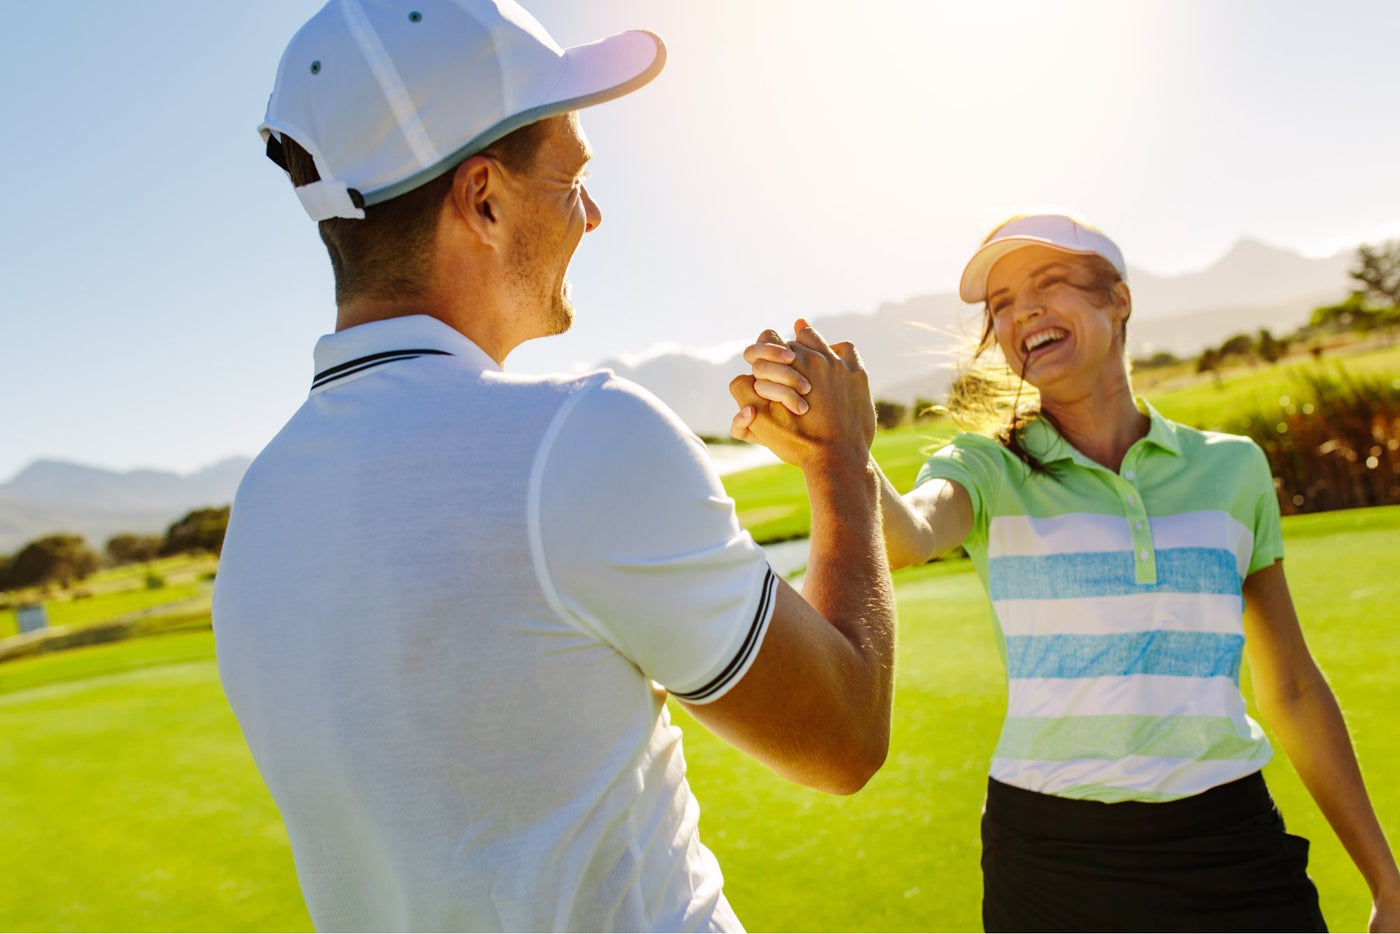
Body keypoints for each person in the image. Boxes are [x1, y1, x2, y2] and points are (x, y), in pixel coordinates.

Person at [213, 2, 895, 931]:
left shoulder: (261, 505)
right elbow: (843, 737)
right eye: (572, 178)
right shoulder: (584, 436)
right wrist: (842, 465)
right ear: (483, 198)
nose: (595, 213)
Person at [734, 214, 1400, 932]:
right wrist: (836, 451)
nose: (1022, 313)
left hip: (1231, 838)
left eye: (1049, 285)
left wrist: (1386, 883)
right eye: (1001, 305)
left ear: (1118, 300)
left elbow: (1293, 686)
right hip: (1052, 857)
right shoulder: (986, 465)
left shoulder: (1232, 466)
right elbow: (908, 533)